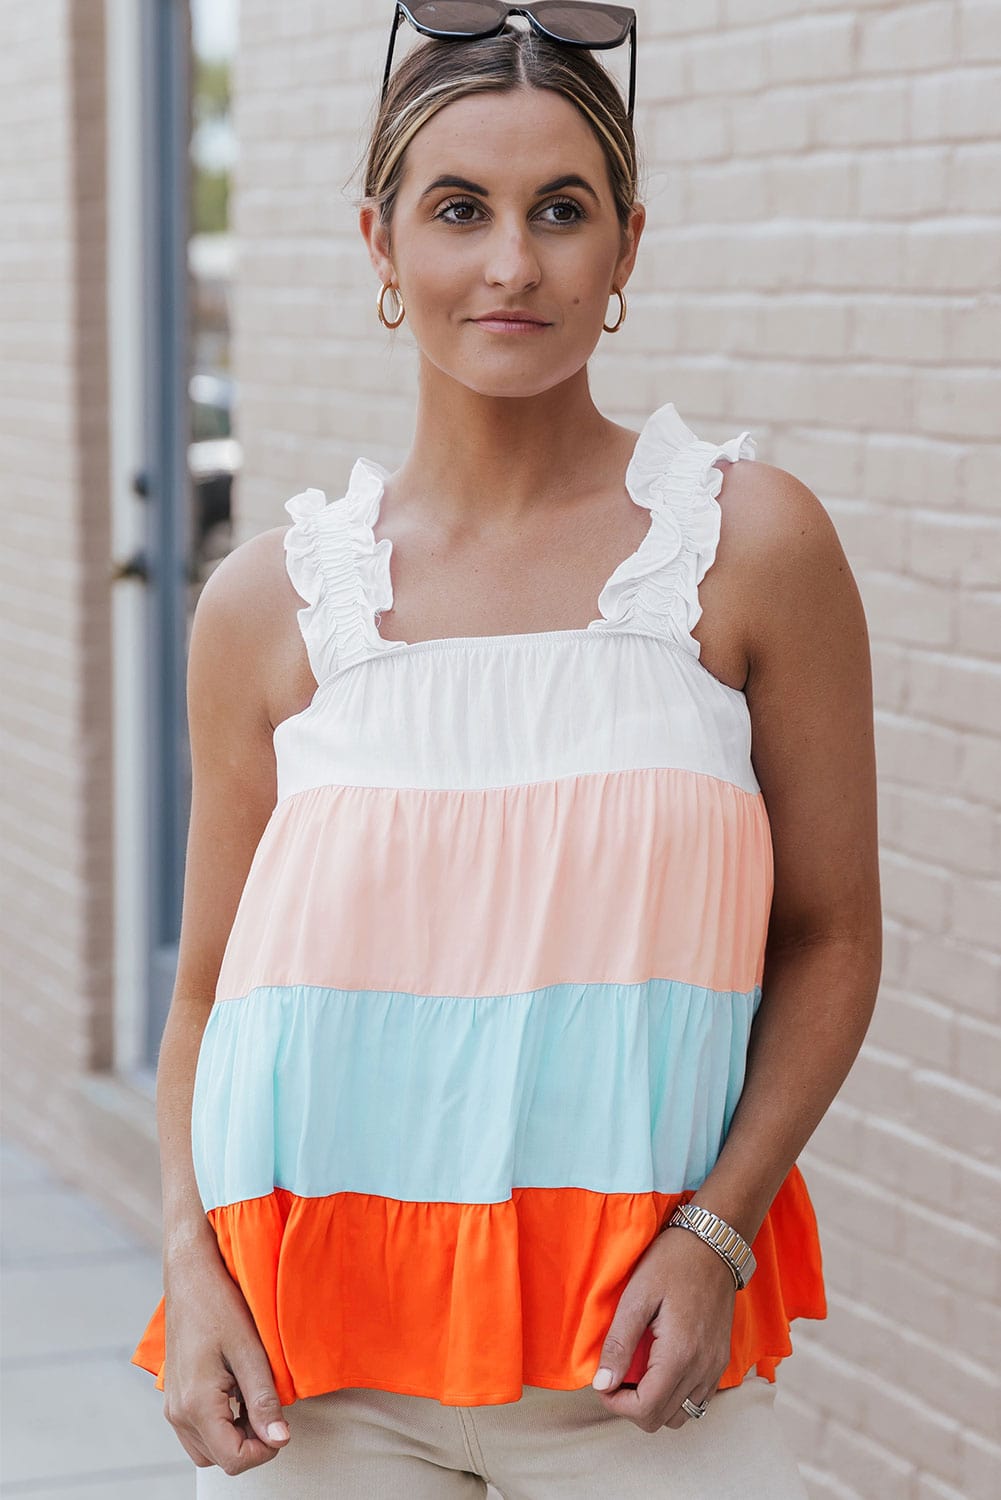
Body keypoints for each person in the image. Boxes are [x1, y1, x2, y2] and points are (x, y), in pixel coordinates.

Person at [131, 7, 882, 1496]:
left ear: (625, 245)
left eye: (561, 210)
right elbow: (208, 992)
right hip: (314, 1373)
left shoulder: (745, 547)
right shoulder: (269, 602)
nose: (510, 263)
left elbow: (829, 937)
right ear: (378, 241)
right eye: (458, 209)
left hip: (634, 1367)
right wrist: (189, 1262)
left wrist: (716, 1231)